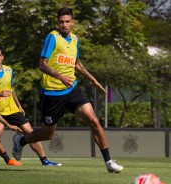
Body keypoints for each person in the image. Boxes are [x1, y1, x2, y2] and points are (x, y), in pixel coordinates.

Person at [12, 7, 124, 173]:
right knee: (48, 134)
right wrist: (60, 77)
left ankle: (108, 162)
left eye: (67, 22)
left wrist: (93, 80)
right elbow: (42, 64)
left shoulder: (75, 39)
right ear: (57, 23)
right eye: (61, 22)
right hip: (52, 93)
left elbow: (77, 64)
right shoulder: (52, 37)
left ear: (72, 23)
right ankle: (21, 141)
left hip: (72, 90)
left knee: (94, 121)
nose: (64, 25)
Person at [0, 45, 61, 166]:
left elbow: (12, 89)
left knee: (29, 132)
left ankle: (44, 160)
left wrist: (19, 105)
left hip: (12, 108)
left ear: (3, 57)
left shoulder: (9, 70)